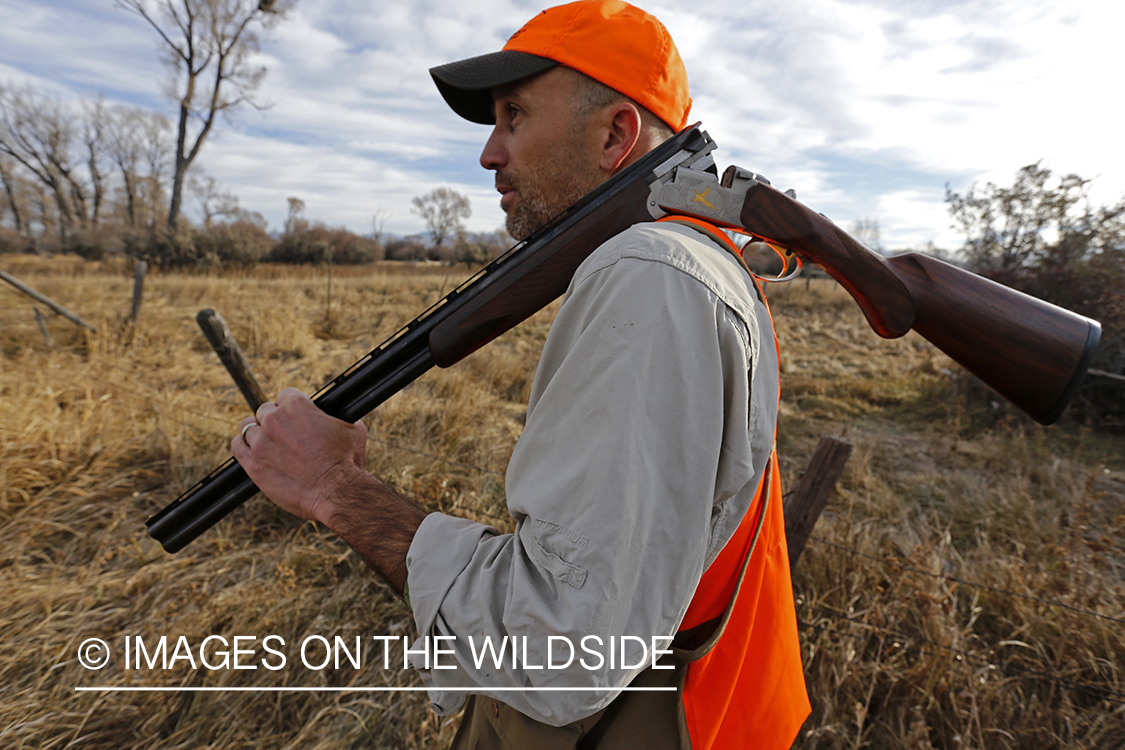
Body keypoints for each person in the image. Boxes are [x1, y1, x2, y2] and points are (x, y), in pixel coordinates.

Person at [231, 1, 810, 747]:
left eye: (513, 115)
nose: (488, 153)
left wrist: (333, 489)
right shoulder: (692, 256)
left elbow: (562, 654)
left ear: (614, 134)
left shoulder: (653, 273)